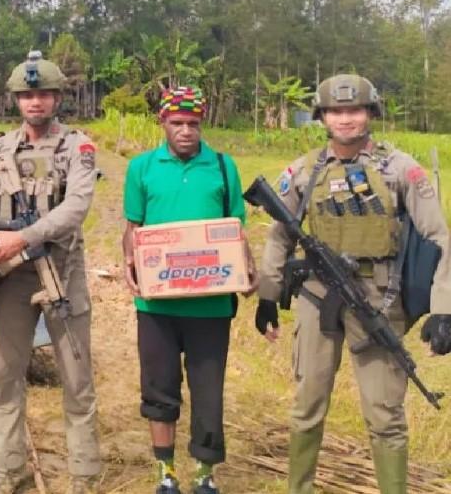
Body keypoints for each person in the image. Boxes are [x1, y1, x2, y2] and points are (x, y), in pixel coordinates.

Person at [254, 74, 451, 494]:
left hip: (380, 297)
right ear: (323, 116)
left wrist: (443, 306)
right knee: (308, 403)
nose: (346, 119)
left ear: (370, 113)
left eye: (354, 110)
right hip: (317, 294)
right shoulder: (306, 170)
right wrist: (268, 296)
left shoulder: (400, 169)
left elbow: (439, 238)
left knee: (385, 415)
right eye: (336, 111)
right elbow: (279, 235)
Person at [121, 87, 256, 494]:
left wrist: (247, 269)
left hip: (211, 304)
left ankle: (205, 474)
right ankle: (165, 471)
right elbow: (133, 229)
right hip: (156, 301)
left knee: (208, 390)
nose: (185, 131)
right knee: (159, 386)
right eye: (176, 123)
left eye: (193, 124)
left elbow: (235, 229)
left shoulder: (221, 165)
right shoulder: (141, 168)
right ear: (162, 123)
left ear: (202, 124)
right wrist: (129, 264)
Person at [0, 51, 101, 494]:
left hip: (62, 273)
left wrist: (24, 235)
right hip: (11, 277)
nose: (35, 102)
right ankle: (10, 473)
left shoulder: (78, 147)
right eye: (27, 95)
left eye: (43, 94)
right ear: (16, 100)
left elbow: (75, 209)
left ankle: (84, 476)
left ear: (56, 98)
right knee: (7, 377)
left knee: (77, 381)